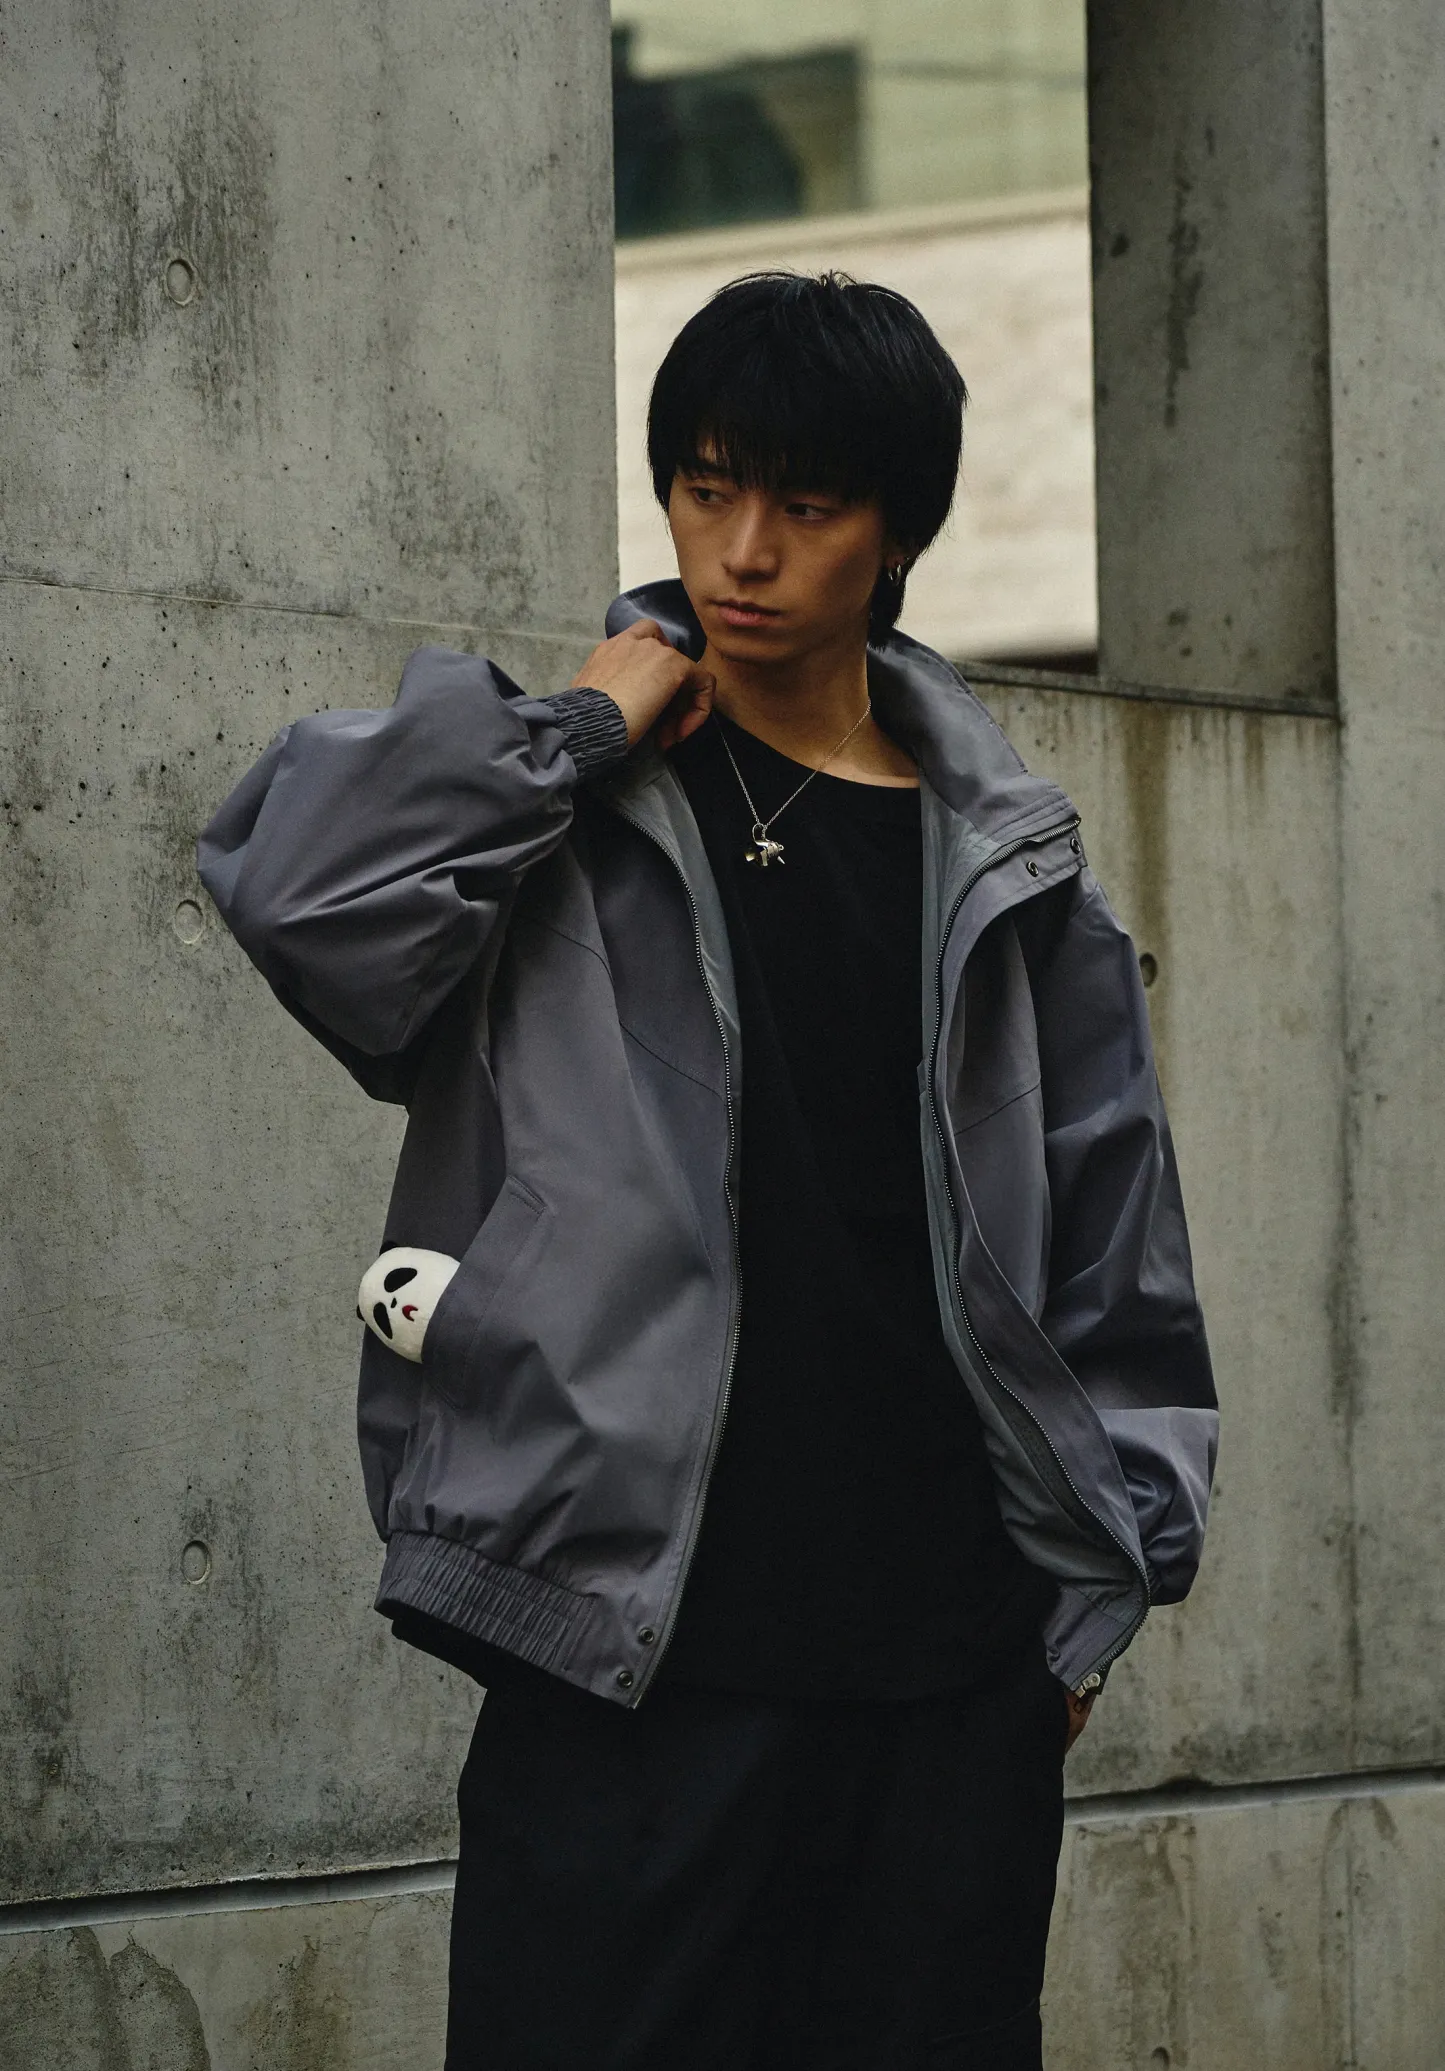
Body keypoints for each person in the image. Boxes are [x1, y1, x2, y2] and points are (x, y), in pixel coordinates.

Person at [199, 271, 1216, 2070]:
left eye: (804, 506)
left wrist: (1083, 1611)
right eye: (705, 488)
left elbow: (1117, 1252)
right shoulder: (564, 815)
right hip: (624, 1662)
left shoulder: (1014, 876)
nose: (742, 553)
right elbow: (298, 893)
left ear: (897, 535)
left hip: (951, 1682)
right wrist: (575, 729)